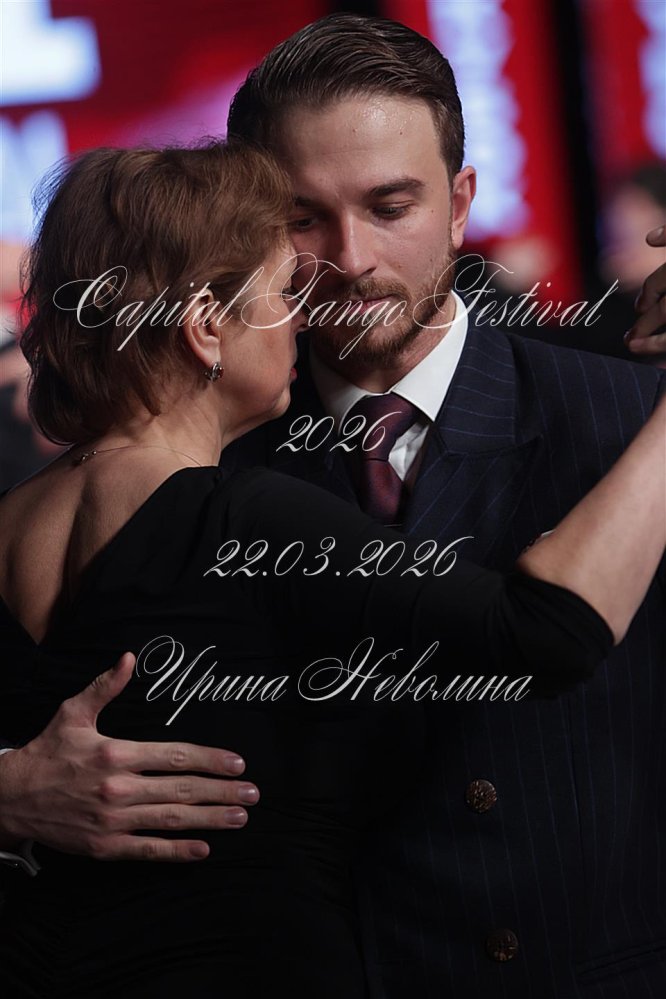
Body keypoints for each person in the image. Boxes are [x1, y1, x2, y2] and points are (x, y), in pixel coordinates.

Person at [1, 12, 665, 998]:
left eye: (390, 204)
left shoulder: (624, 412)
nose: (350, 258)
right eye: (302, 220)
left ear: (460, 203)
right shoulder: (210, 458)